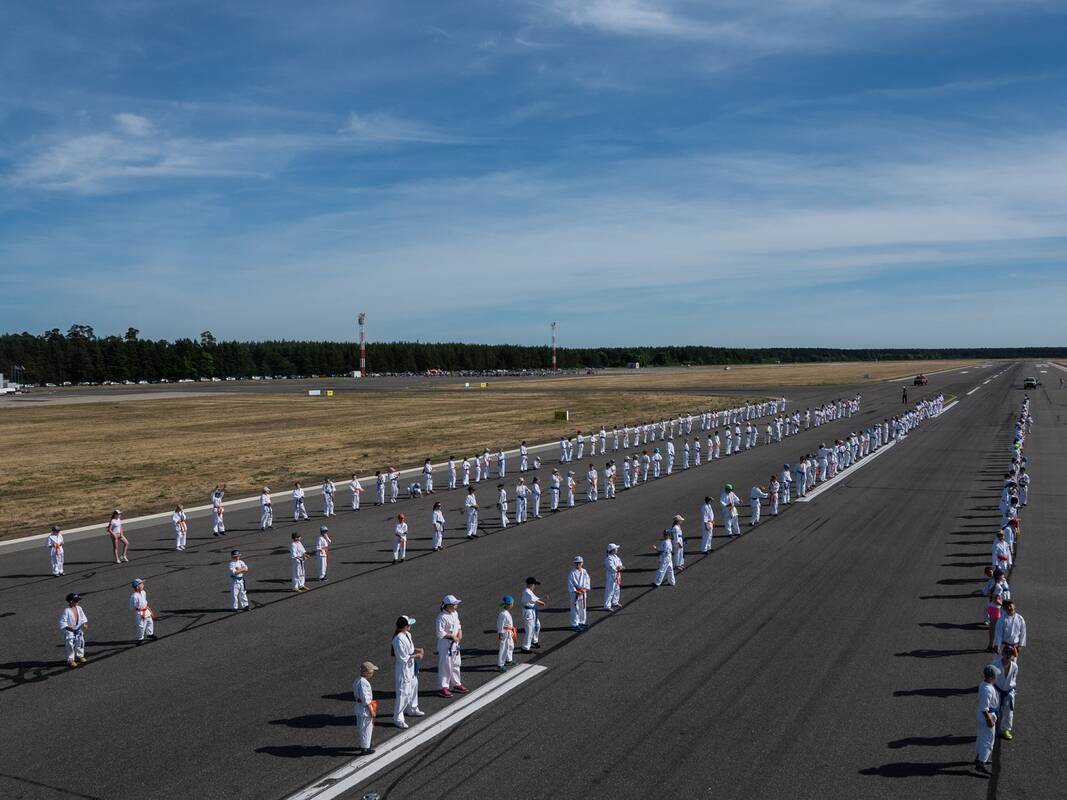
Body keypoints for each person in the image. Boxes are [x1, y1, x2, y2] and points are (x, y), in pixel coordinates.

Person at [391, 616, 425, 729]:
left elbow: (409, 649)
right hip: (403, 669)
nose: (410, 626)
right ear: (404, 626)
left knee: (414, 685)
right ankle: (398, 718)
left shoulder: (407, 634)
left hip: (410, 667)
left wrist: (417, 649)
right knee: (403, 693)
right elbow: (402, 658)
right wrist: (417, 655)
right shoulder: (397, 639)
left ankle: (413, 708)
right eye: (408, 624)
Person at [435, 595, 468, 697]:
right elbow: (440, 633)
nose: (456, 606)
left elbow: (458, 625)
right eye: (454, 604)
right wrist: (452, 636)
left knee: (456, 663)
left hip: (455, 644)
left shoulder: (455, 613)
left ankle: (456, 683)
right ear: (447, 605)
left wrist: (460, 633)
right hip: (445, 644)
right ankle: (443, 687)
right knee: (445, 665)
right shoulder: (441, 617)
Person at [990, 648, 1018, 740]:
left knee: (1009, 713)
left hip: (1008, 692)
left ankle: (1005, 730)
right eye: (1006, 653)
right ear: (1002, 653)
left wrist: (1012, 690)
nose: (1008, 655)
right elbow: (990, 678)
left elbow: (1013, 679)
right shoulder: (995, 664)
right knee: (993, 711)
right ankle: (991, 729)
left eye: (1010, 653)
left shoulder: (1015, 666)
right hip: (996, 691)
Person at [975, 664, 998, 773]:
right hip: (987, 717)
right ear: (991, 677)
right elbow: (984, 708)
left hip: (982, 716)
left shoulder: (984, 684)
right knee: (988, 739)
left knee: (981, 737)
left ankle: (980, 756)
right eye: (995, 675)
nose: (996, 677)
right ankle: (981, 763)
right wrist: (989, 720)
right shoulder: (987, 690)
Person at [353, 661, 379, 756]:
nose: (373, 673)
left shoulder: (357, 680)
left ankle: (364, 744)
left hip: (359, 707)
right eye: (371, 671)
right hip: (364, 709)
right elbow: (365, 698)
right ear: (366, 672)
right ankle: (365, 748)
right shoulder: (364, 683)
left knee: (362, 728)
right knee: (366, 728)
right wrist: (371, 710)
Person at [60, 593, 88, 667]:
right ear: (71, 601)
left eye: (78, 601)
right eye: (76, 601)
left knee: (80, 643)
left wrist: (84, 623)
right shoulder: (66, 611)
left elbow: (82, 616)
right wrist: (67, 626)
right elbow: (63, 621)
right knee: (70, 646)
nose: (77, 602)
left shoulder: (79, 608)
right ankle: (71, 660)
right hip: (70, 632)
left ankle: (80, 655)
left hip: (78, 629)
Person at [520, 577, 544, 653]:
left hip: (532, 611)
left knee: (537, 625)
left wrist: (540, 601)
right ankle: (525, 647)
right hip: (528, 613)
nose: (535, 586)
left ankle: (534, 640)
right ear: (531, 584)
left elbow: (534, 599)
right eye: (534, 584)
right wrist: (542, 602)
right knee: (529, 630)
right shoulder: (527, 592)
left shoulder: (529, 591)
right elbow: (534, 599)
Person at [129, 578, 156, 642]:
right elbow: (133, 606)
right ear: (137, 587)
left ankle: (150, 634)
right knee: (141, 626)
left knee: (150, 622)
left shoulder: (144, 592)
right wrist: (139, 609)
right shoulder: (134, 596)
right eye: (141, 584)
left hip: (146, 610)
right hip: (140, 613)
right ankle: (140, 638)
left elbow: (144, 601)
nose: (143, 585)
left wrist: (147, 608)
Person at [568, 556, 590, 630]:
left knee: (582, 608)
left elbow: (587, 581)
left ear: (582, 563)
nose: (578, 564)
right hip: (575, 594)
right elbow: (570, 584)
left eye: (579, 563)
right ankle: (574, 624)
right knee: (575, 609)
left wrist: (585, 589)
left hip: (583, 592)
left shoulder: (584, 571)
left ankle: (581, 622)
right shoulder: (572, 573)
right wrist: (576, 591)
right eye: (576, 563)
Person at [497, 596, 517, 672]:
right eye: (512, 603)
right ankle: (500, 665)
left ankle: (509, 660)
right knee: (503, 648)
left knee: (511, 646)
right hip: (505, 633)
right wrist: (500, 633)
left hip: (509, 632)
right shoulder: (503, 614)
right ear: (508, 605)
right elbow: (500, 624)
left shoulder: (506, 612)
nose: (512, 605)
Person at [604, 544, 624, 610]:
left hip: (617, 575)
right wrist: (618, 568)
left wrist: (620, 567)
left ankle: (615, 602)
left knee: (617, 589)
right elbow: (611, 568)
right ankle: (607, 605)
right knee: (610, 590)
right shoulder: (609, 558)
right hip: (611, 576)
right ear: (612, 550)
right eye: (616, 548)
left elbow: (620, 563)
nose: (617, 549)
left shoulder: (616, 557)